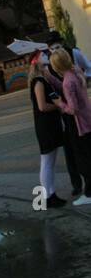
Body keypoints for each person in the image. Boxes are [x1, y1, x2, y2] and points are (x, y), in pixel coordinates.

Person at [51, 47, 91, 207]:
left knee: (83, 161)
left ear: (56, 66)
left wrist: (60, 103)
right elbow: (69, 86)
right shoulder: (75, 72)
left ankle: (89, 193)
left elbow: (73, 109)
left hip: (80, 124)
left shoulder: (68, 81)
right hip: (89, 118)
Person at [30, 52, 68, 208]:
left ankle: (51, 194)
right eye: (44, 62)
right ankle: (46, 197)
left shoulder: (43, 80)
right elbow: (42, 106)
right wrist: (58, 107)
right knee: (46, 162)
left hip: (50, 125)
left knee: (50, 162)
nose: (47, 65)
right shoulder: (38, 82)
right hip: (45, 126)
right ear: (38, 64)